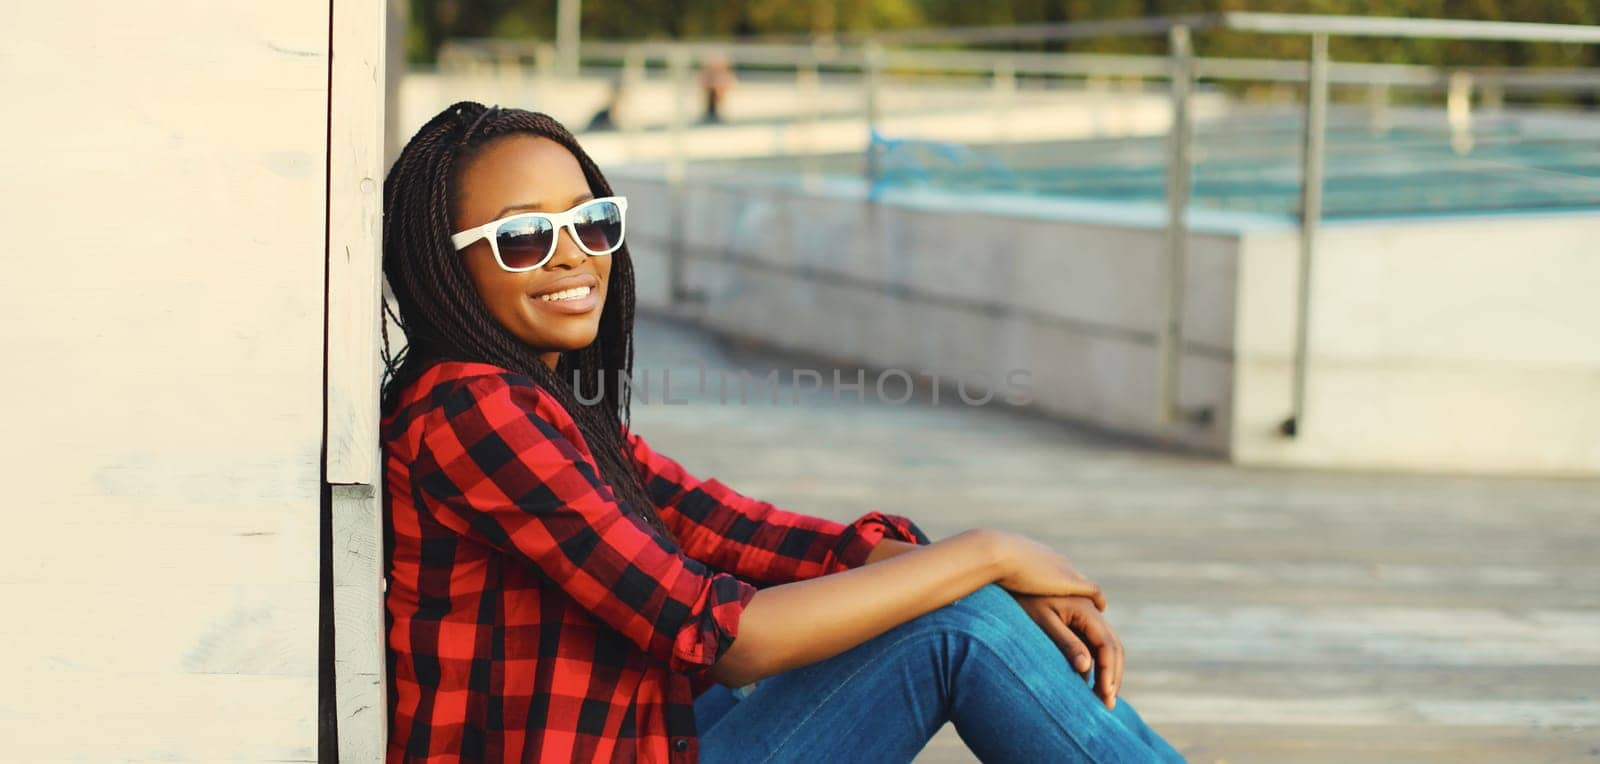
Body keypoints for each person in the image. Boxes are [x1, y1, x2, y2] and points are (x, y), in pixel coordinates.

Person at [378, 100, 1187, 763]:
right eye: (522, 237)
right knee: (956, 627)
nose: (572, 257)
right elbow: (721, 634)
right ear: (445, 266)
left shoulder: (544, 408)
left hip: (653, 735)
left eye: (590, 222)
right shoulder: (469, 410)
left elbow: (726, 527)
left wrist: (979, 576)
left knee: (956, 604)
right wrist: (986, 555)